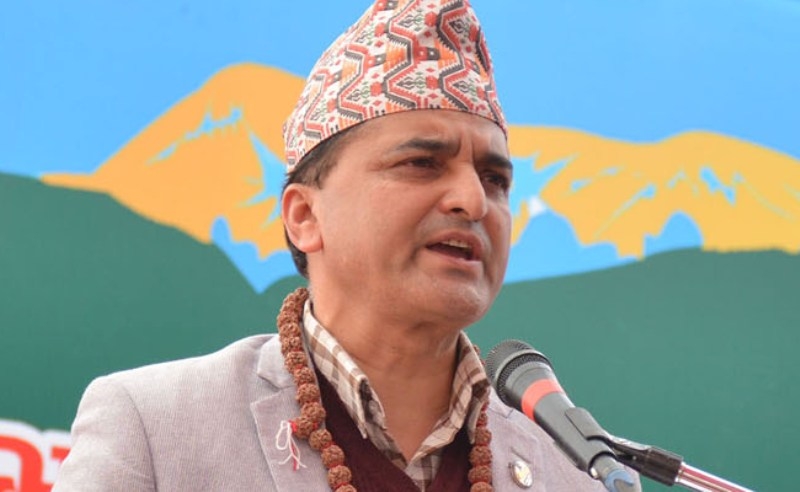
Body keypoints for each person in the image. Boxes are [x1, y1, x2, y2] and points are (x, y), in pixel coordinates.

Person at [55, 1, 637, 490]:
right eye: (422, 163)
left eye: (495, 179)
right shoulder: (157, 428)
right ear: (305, 216)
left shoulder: (574, 474)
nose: (472, 201)